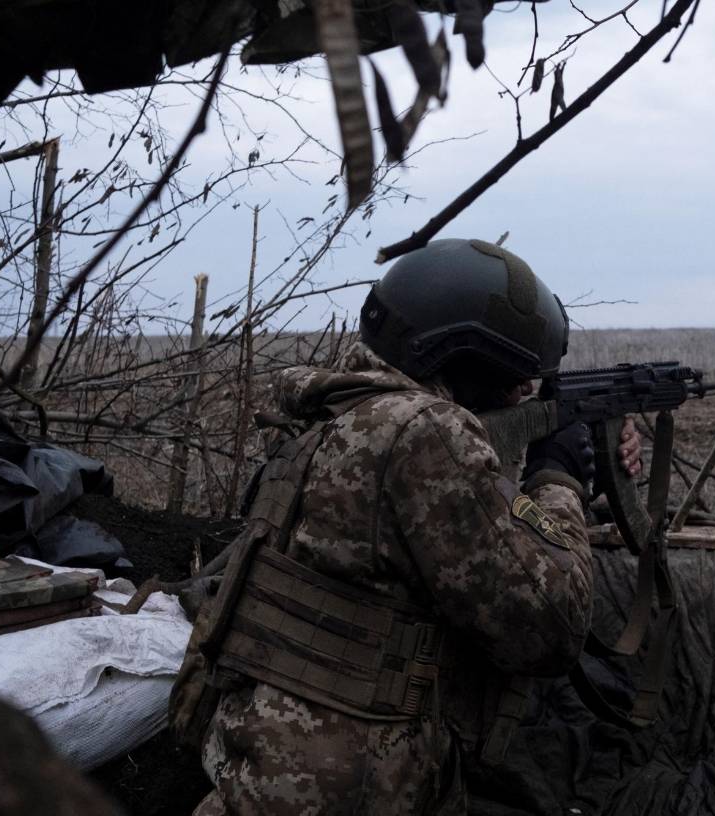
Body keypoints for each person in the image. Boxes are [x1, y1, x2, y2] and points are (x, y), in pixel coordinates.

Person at [193, 238, 642, 816]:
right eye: (515, 377)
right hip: (354, 790)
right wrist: (559, 478)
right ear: (462, 355)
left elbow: (438, 535)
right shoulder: (424, 433)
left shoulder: (329, 416)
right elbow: (552, 624)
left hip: (256, 763)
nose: (525, 391)